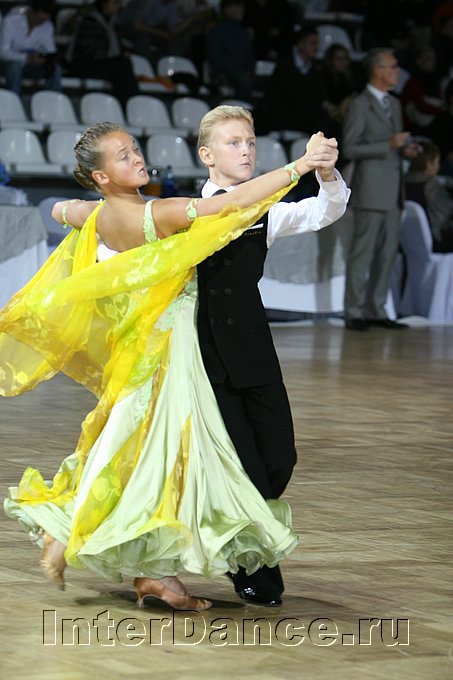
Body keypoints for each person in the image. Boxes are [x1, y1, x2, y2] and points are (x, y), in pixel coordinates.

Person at [1, 121, 335, 611]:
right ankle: (92, 542)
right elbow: (230, 204)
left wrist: (79, 207)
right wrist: (299, 166)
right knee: (163, 458)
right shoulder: (161, 213)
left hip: (136, 351)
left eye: (134, 149)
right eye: (123, 156)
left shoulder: (93, 215)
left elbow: (57, 208)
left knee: (132, 451)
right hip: (172, 352)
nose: (137, 158)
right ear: (101, 176)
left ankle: (137, 566)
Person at [196, 105, 350, 605]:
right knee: (246, 468)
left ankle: (236, 537)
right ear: (207, 155)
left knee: (280, 458)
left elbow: (324, 211)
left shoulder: (267, 210)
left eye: (250, 142)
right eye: (234, 142)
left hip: (255, 351)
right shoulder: (184, 212)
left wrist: (325, 173)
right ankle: (252, 568)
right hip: (205, 357)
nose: (246, 151)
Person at [341, 47, 419, 331]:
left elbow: (391, 145)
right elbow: (350, 147)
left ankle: (376, 309)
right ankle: (354, 311)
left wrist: (403, 149)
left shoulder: (394, 103)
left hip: (394, 189)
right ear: (378, 71)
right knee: (363, 253)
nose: (397, 71)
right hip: (371, 191)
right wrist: (387, 145)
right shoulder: (360, 104)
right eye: (393, 66)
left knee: (387, 255)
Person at [66, 0, 139, 108]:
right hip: (85, 65)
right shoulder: (90, 21)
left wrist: (124, 52)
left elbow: (120, 45)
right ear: (104, 3)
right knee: (122, 65)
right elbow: (88, 51)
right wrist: (113, 57)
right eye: (115, 3)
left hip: (105, 64)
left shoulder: (114, 23)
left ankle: (131, 105)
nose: (118, 7)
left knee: (123, 66)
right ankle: (130, 106)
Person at [0, 0, 61, 96]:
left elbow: (50, 51)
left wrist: (43, 58)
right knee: (15, 67)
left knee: (54, 68)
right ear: (31, 12)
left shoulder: (47, 26)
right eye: (39, 19)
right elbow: (3, 52)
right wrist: (27, 57)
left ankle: (53, 99)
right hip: (6, 64)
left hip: (31, 65)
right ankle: (14, 99)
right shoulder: (10, 22)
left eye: (44, 20)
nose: (41, 23)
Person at [405, 140, 453, 253]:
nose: (438, 166)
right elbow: (447, 212)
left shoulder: (404, 182)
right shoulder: (431, 186)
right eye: (437, 162)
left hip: (410, 242)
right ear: (429, 165)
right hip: (435, 240)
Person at [206, 0, 255, 98]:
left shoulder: (244, 32)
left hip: (244, 73)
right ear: (226, 9)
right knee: (244, 80)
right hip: (224, 75)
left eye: (242, 7)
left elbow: (250, 58)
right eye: (237, 6)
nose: (241, 10)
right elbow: (216, 61)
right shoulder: (217, 32)